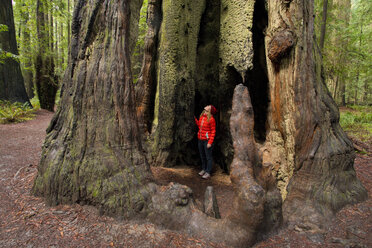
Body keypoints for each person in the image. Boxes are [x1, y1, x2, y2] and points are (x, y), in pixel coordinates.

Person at [194, 105, 217, 179]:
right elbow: (199, 126)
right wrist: (195, 119)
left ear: (210, 112)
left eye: (207, 110)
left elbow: (213, 131)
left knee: (208, 157)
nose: (205, 110)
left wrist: (210, 142)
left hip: (207, 141)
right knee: (202, 156)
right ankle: (204, 169)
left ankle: (208, 172)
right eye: (205, 109)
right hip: (200, 139)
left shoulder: (211, 119)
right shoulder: (202, 117)